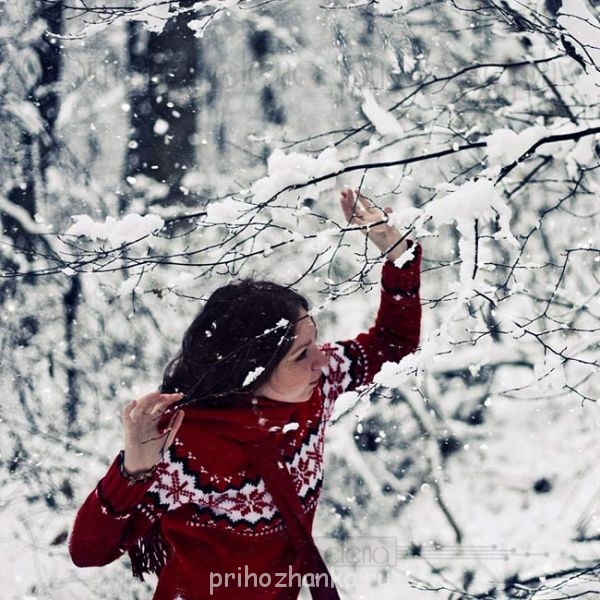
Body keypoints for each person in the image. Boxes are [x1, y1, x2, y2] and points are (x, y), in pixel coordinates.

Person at [69, 188, 422, 600]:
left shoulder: (313, 389)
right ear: (249, 372)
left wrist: (398, 255)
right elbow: (88, 552)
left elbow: (393, 345)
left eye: (314, 344)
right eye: (301, 354)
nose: (322, 361)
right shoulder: (185, 444)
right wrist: (133, 470)